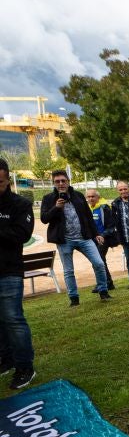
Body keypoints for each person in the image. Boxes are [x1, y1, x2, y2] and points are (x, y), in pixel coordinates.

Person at [39, 169, 111, 306]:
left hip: (84, 237)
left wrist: (96, 234)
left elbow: (88, 217)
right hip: (64, 240)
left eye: (63, 181)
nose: (60, 183)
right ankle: (74, 298)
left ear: (68, 181)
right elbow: (44, 219)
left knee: (99, 263)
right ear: (53, 183)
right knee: (69, 271)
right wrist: (56, 207)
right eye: (57, 181)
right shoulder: (48, 198)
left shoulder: (77, 196)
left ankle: (103, 291)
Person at [0, 158, 36, 390]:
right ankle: (6, 359)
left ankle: (25, 366)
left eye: (0, 181)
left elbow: (22, 234)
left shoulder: (19, 204)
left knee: (13, 319)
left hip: (9, 271)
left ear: (6, 179)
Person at [85, 188, 117, 291]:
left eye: (93, 196)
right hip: (91, 240)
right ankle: (108, 283)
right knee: (98, 261)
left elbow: (112, 226)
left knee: (98, 260)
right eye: (89, 197)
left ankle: (103, 283)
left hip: (104, 239)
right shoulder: (87, 209)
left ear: (98, 197)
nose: (91, 198)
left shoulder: (105, 208)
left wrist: (103, 235)